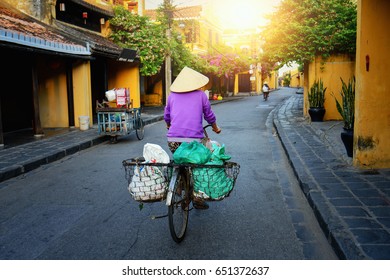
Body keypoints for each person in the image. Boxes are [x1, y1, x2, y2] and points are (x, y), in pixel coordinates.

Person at [164, 66, 221, 210]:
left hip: (174, 141)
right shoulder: (201, 95)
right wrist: (215, 127)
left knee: (180, 159)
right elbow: (209, 115)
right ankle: (198, 199)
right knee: (197, 167)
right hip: (194, 141)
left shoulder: (171, 96)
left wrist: (169, 125)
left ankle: (179, 184)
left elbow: (167, 117)